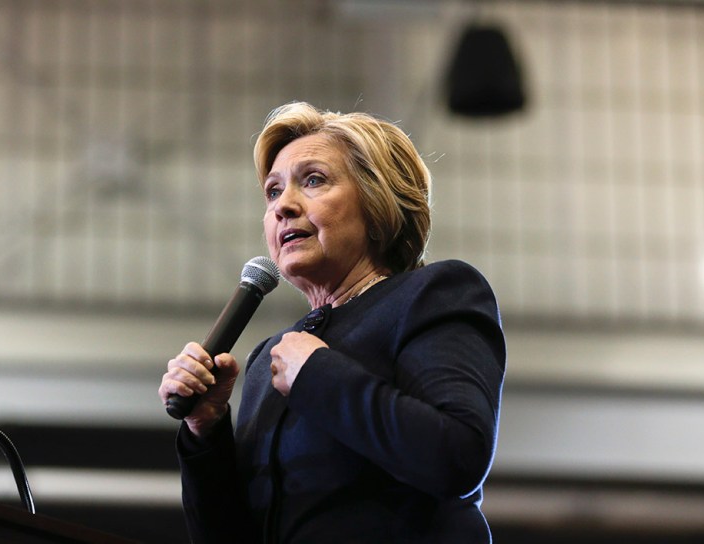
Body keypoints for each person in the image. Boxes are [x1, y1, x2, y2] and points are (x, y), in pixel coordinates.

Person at [158, 102, 506, 544]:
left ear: (377, 198)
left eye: (314, 180)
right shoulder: (270, 359)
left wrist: (318, 376)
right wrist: (206, 432)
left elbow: (457, 457)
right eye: (272, 191)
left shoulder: (434, 295)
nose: (283, 205)